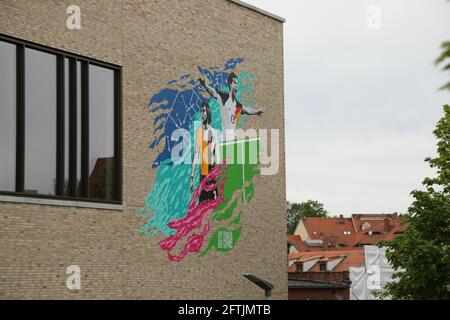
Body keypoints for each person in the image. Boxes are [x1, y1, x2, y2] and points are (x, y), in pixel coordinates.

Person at [198, 72, 263, 141]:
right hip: (225, 139)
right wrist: (205, 85)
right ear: (230, 84)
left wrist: (256, 112)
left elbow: (247, 110)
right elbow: (214, 93)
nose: (236, 85)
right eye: (234, 83)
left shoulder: (237, 104)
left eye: (237, 83)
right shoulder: (224, 98)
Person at [190, 102, 219, 201]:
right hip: (203, 175)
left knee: (213, 205)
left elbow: (214, 155)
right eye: (200, 112)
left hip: (212, 174)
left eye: (203, 111)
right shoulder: (199, 131)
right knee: (202, 205)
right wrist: (192, 178)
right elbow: (196, 155)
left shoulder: (214, 132)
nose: (201, 114)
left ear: (208, 113)